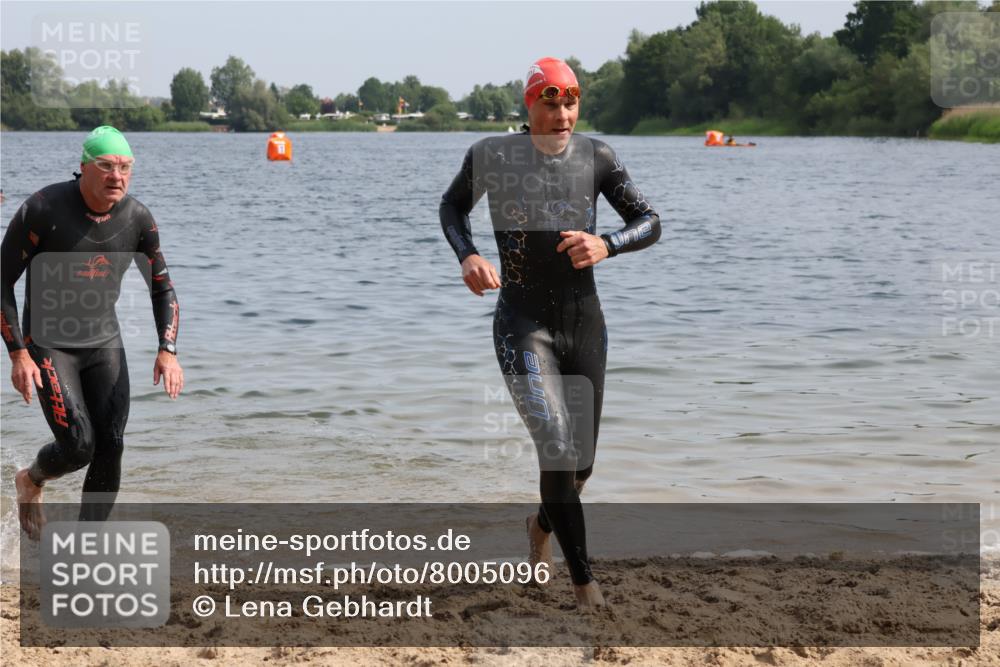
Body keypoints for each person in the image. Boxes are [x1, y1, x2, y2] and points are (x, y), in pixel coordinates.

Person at [439, 57, 660, 608]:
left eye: (570, 103)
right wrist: (467, 255)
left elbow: (650, 221)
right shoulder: (492, 156)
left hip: (584, 324)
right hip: (521, 325)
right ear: (529, 104)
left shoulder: (597, 157)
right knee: (558, 451)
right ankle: (585, 585)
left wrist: (607, 243)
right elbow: (452, 206)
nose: (562, 115)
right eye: (550, 103)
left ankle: (540, 526)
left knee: (579, 467)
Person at [2, 126, 183, 538]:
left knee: (112, 444)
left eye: (125, 167)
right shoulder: (44, 209)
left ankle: (87, 548)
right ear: (84, 166)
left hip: (103, 342)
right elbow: (1, 282)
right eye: (105, 166)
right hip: (47, 343)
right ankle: (31, 480)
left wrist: (167, 349)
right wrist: (18, 354)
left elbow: (163, 287)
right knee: (79, 446)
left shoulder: (137, 218)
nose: (116, 176)